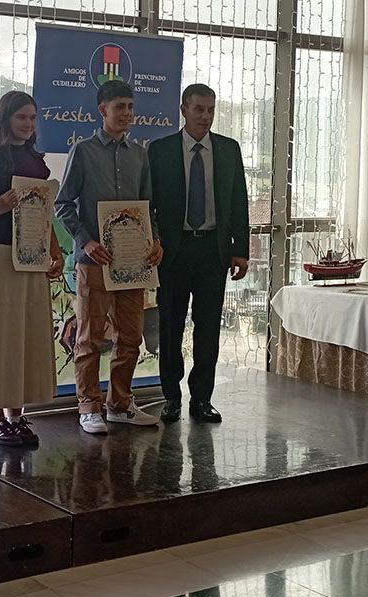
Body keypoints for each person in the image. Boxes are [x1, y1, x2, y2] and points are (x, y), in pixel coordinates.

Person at [55, 80, 163, 435]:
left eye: (131, 107)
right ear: (103, 110)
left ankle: (120, 404)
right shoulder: (83, 151)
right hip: (94, 262)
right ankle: (89, 406)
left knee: (130, 336)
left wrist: (156, 241)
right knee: (89, 337)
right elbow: (63, 205)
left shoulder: (140, 155)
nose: (127, 114)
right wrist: (86, 242)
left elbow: (148, 208)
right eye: (120, 107)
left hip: (132, 264)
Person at [0, 91, 63, 446]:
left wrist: (55, 253)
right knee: (0, 335)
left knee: (24, 335)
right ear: (5, 118)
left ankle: (16, 417)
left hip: (32, 257)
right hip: (0, 254)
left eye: (33, 118)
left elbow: (45, 215)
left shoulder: (38, 163)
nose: (28, 124)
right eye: (21, 117)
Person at [148, 83, 249, 423]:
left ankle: (202, 398)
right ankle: (171, 397)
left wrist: (241, 250)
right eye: (199, 109)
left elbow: (239, 202)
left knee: (208, 328)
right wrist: (154, 242)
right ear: (184, 110)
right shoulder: (160, 151)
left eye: (211, 110)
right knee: (170, 326)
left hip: (213, 251)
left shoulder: (228, 150)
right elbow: (150, 204)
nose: (206, 116)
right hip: (173, 252)